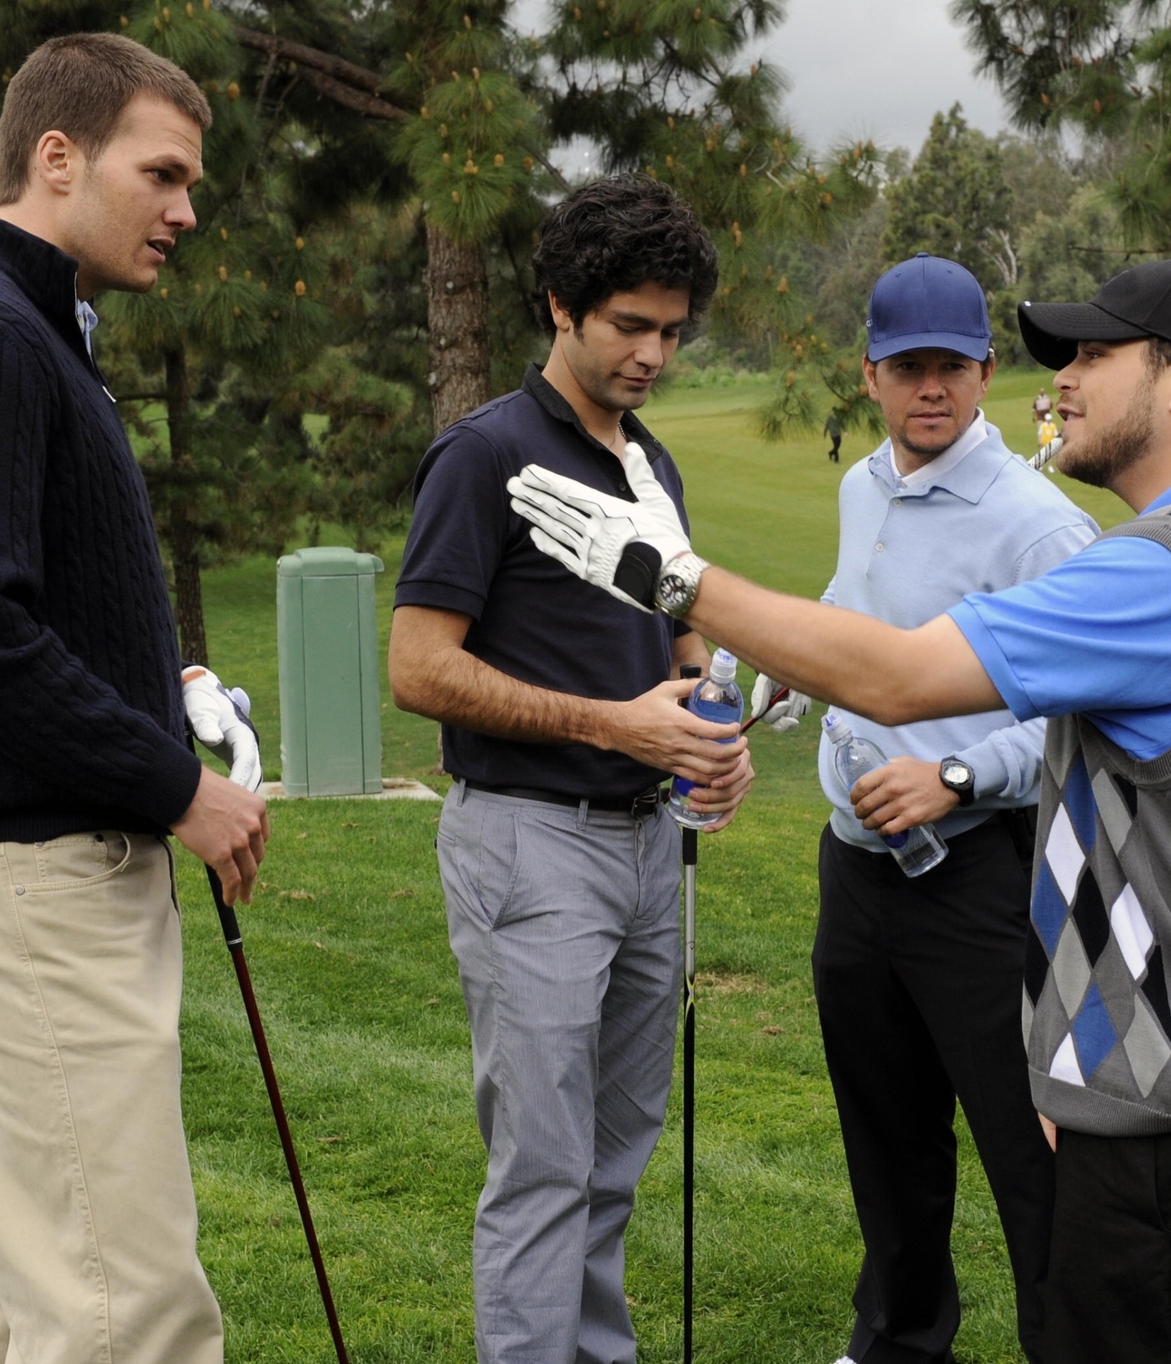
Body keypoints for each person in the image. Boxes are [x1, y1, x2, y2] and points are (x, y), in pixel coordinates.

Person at [506, 259, 1171, 1364]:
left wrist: (672, 578)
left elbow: (901, 677)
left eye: (1091, 357)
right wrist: (1073, 1058)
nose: (1060, 383)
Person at [0, 34, 266, 1364]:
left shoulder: (11, 320)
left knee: (29, 1269)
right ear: (57, 156)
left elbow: (11, 592)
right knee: (120, 1303)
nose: (186, 210)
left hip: (12, 882)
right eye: (164, 174)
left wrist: (162, 680)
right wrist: (177, 787)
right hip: (26, 887)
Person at [388, 174, 752, 1364]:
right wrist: (613, 722)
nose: (653, 353)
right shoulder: (483, 453)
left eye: (671, 331)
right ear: (560, 305)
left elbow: (679, 633)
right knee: (543, 1165)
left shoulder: (650, 461)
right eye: (629, 326)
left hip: (650, 840)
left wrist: (711, 727)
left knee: (613, 1154)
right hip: (529, 842)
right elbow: (419, 668)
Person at [747, 254, 1096, 1364]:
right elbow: (861, 610)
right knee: (886, 1132)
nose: (928, 387)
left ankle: (1073, 1343)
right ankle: (898, 1339)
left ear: (987, 371)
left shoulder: (1036, 525)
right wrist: (796, 660)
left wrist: (954, 777)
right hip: (854, 869)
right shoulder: (864, 484)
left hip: (976, 875)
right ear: (870, 374)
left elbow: (1080, 718)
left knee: (1027, 1143)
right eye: (907, 367)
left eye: (950, 365)